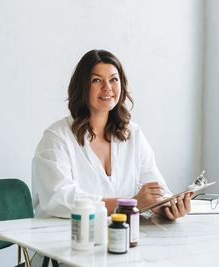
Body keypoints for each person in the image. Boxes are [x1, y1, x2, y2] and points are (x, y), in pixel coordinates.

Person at [32, 49, 192, 221]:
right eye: (96, 80)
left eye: (113, 80)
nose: (107, 87)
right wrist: (130, 203)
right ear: (82, 87)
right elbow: (59, 199)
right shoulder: (56, 137)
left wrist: (164, 207)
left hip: (118, 239)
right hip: (62, 240)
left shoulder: (133, 134)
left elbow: (155, 189)